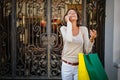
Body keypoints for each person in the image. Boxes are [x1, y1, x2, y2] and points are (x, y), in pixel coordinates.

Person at [60, 8, 97, 80]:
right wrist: (68, 22)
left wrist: (92, 38)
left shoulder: (83, 29)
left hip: (80, 65)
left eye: (74, 12)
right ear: (66, 17)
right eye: (70, 13)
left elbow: (87, 50)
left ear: (77, 17)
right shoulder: (63, 29)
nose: (73, 13)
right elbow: (69, 39)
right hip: (66, 65)